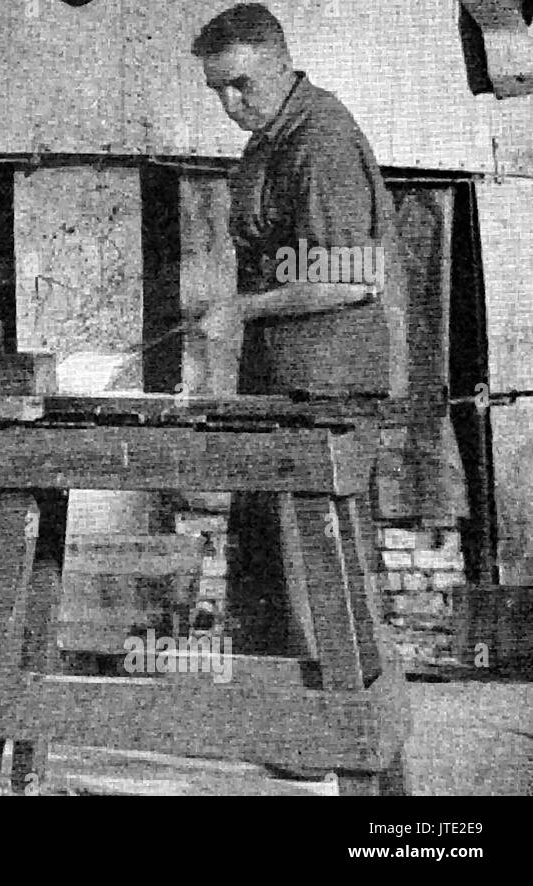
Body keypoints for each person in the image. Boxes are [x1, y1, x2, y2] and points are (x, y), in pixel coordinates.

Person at [188, 4, 409, 657]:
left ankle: (332, 722)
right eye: (217, 89)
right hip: (281, 376)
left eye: (242, 85)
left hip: (325, 380)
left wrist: (241, 310)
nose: (230, 103)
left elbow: (350, 280)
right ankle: (286, 709)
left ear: (281, 64)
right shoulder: (270, 140)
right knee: (271, 547)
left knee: (316, 551)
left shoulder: (321, 140)